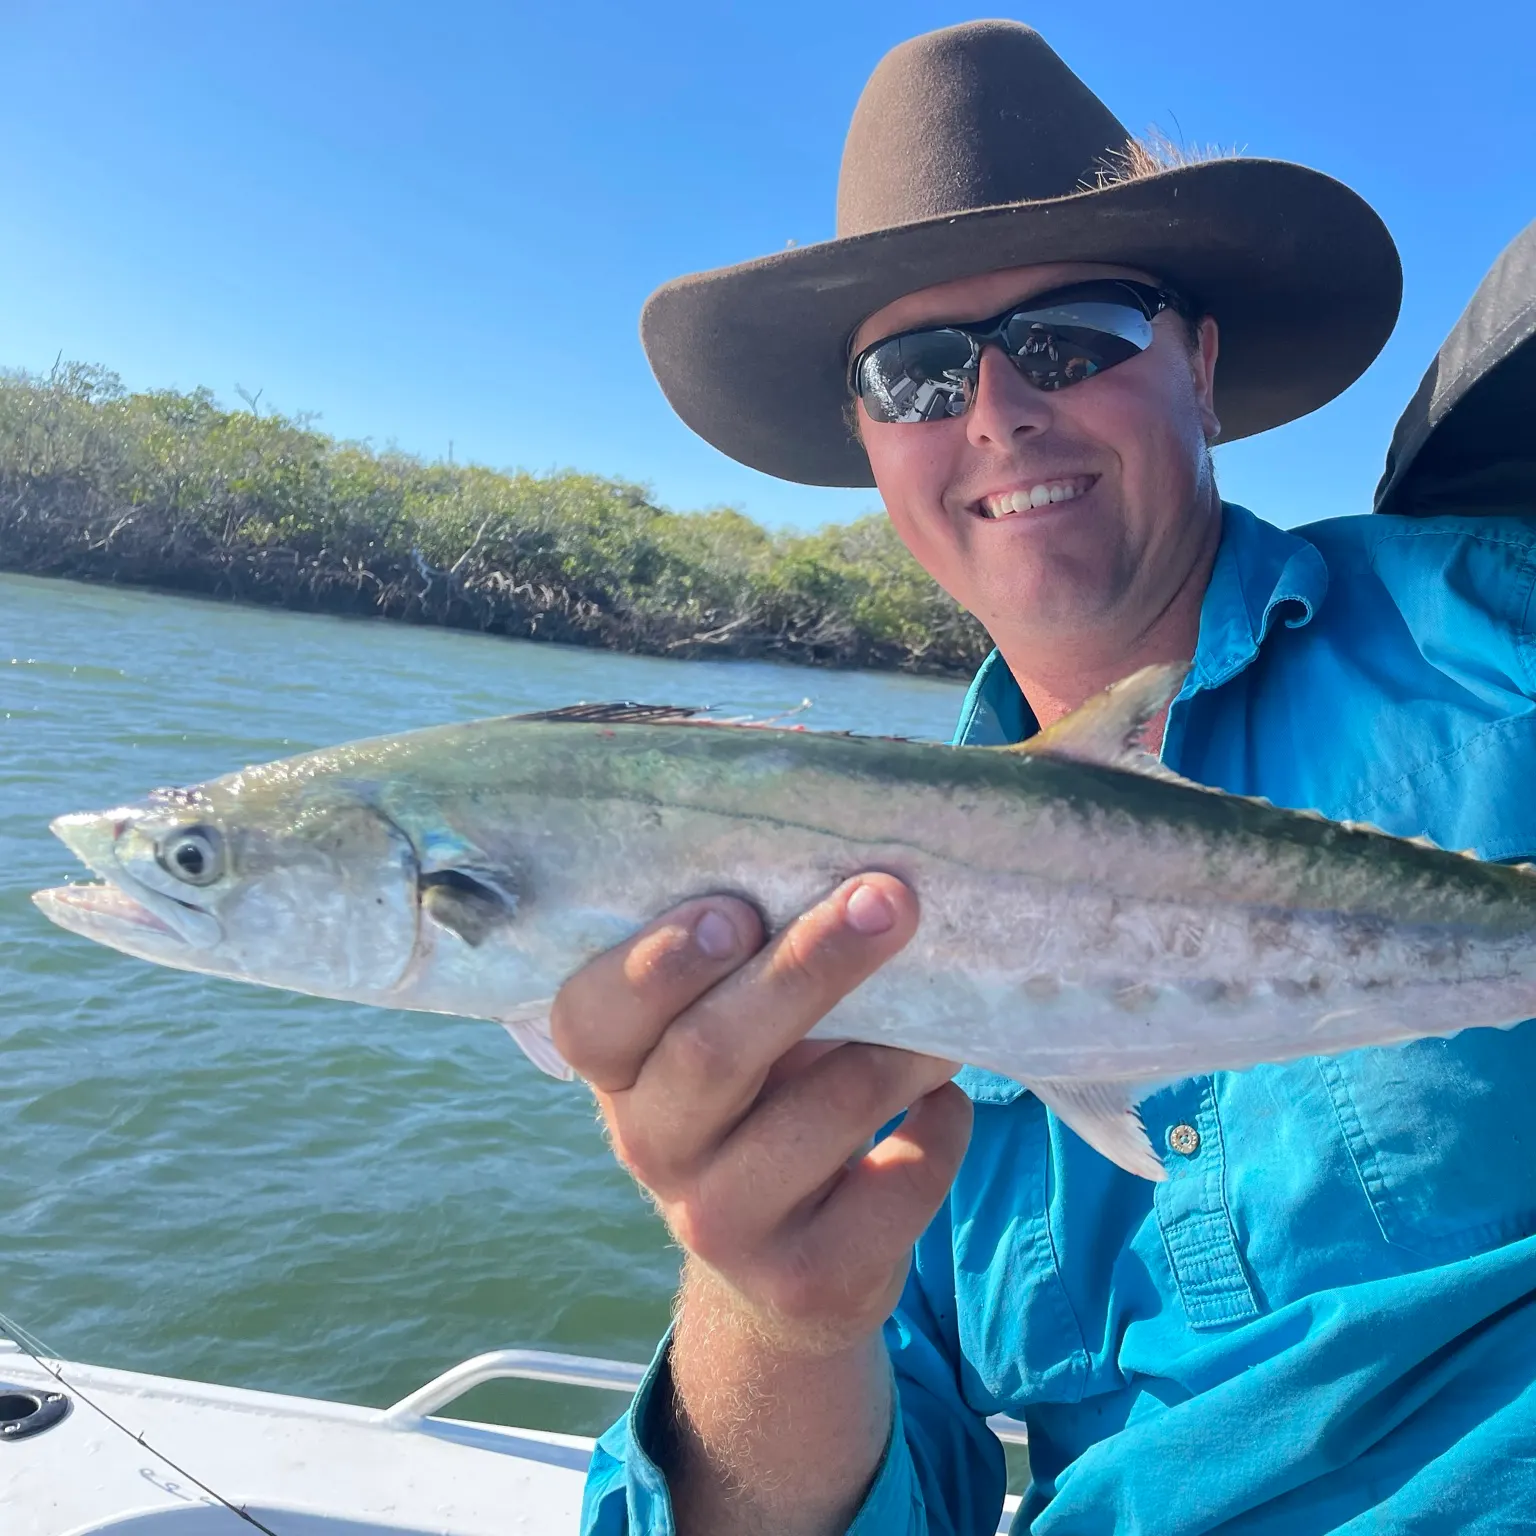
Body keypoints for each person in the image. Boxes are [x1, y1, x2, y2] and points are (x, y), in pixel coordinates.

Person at [568, 21, 1536, 1535]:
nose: (1000, 413)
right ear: (873, 446)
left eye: (1074, 336)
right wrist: (773, 1304)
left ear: (1199, 367)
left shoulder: (1497, 630)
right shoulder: (809, 912)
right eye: (916, 371)